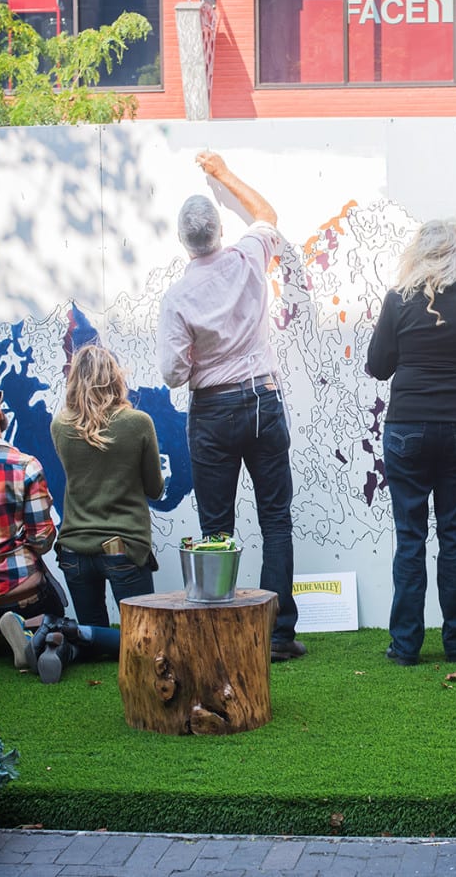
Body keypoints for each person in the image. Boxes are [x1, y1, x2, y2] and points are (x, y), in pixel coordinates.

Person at [156, 150, 304, 663]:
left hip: (213, 409)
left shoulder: (176, 298)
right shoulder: (247, 257)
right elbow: (267, 215)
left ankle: (222, 633)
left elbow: (174, 374)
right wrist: (223, 175)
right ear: (219, 230)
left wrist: (199, 353)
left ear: (183, 241)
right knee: (276, 521)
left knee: (217, 527)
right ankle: (279, 635)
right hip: (263, 398)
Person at [0, 375, 119, 683]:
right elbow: (42, 540)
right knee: (58, 615)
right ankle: (35, 630)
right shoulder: (24, 466)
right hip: (22, 590)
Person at [366, 220, 456, 666]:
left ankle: (405, 645)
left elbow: (378, 366)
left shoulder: (399, 300)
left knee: (410, 536)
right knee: (454, 533)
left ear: (417, 254)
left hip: (409, 429)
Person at [51, 344, 164, 627]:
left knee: (94, 641)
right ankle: (73, 636)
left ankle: (67, 636)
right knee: (141, 635)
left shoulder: (60, 425)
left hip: (74, 549)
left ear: (74, 378)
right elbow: (154, 489)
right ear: (115, 377)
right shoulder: (138, 423)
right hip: (123, 546)